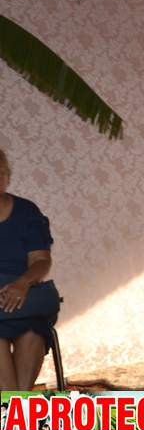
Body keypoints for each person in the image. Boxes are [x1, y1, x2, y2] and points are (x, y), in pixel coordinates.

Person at [0, 148, 61, 390]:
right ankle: (14, 407)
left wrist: (22, 283)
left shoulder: (26, 211)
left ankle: (15, 407)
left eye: (1, 172)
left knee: (32, 333)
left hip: (24, 296)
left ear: (7, 176)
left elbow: (41, 260)